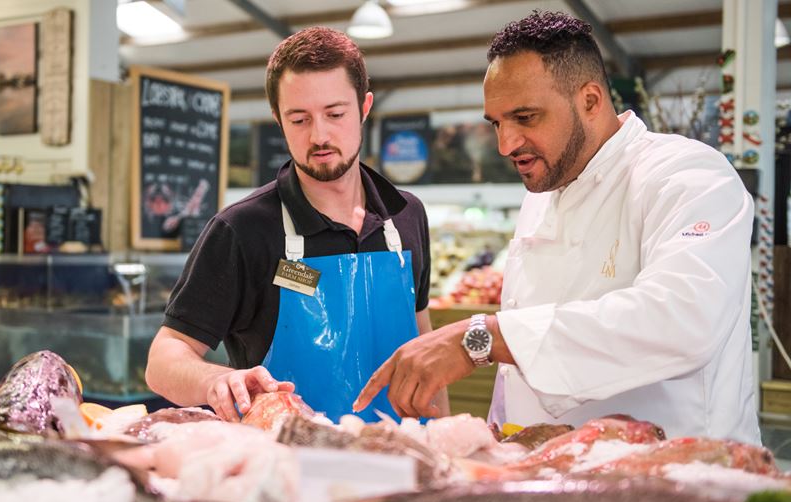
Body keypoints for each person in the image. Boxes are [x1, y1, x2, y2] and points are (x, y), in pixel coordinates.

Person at [355, 11, 760, 444]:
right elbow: (521, 365)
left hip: (681, 482)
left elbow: (684, 319)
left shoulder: (687, 175)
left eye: (525, 117)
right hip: (557, 475)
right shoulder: (541, 194)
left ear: (590, 100)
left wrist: (482, 336)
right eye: (496, 123)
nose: (505, 144)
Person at [146, 27, 448, 423]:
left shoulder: (406, 214)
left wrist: (447, 444)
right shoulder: (242, 229)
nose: (319, 135)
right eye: (299, 119)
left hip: (411, 464)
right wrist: (214, 380)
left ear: (364, 107)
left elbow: (425, 347)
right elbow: (163, 359)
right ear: (278, 118)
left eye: (335, 114)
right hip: (288, 468)